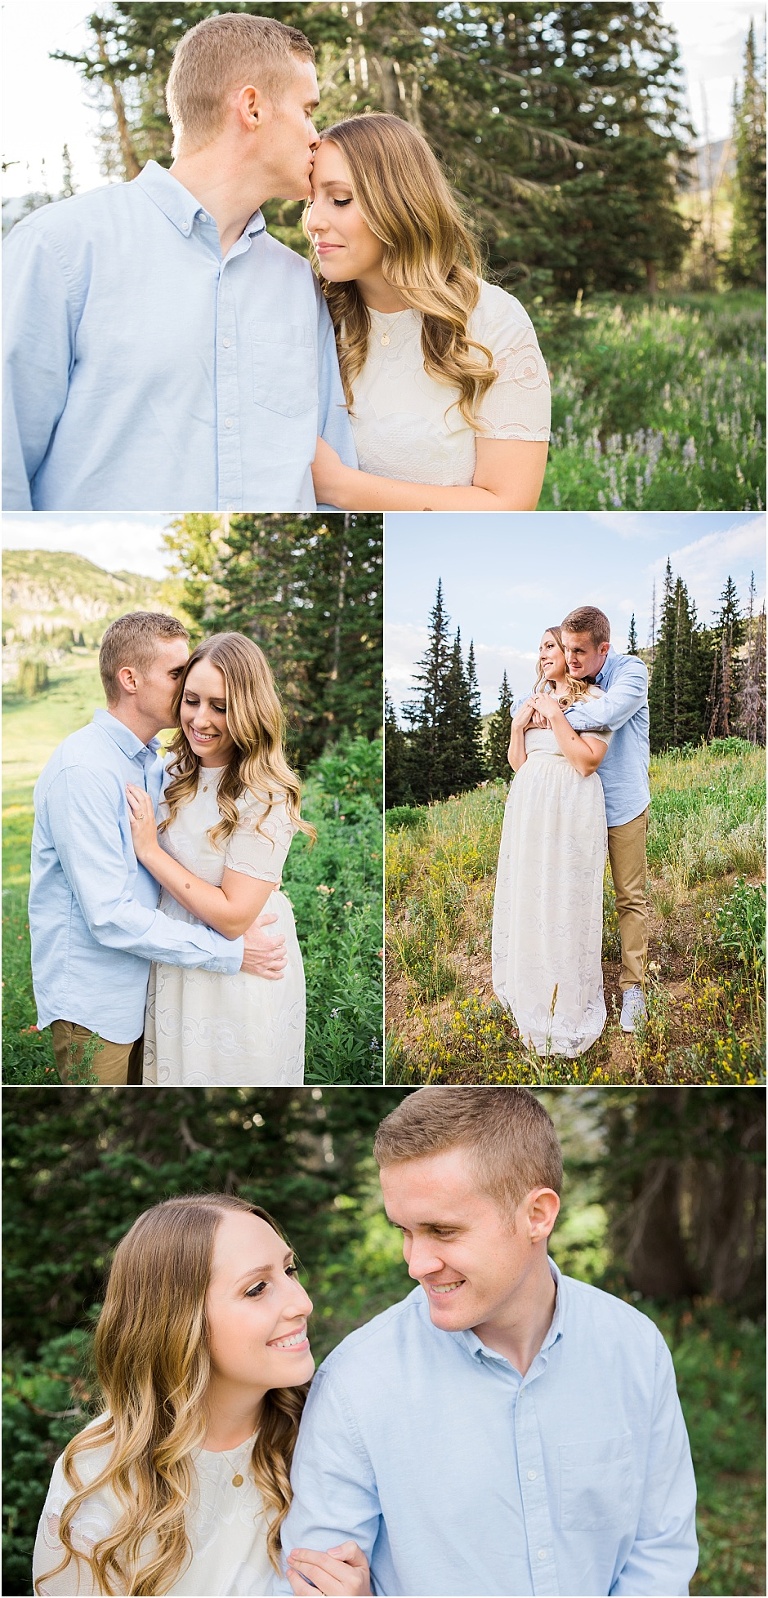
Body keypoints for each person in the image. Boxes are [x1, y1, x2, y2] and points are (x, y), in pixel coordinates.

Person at [281, 1087, 698, 1598]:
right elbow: (311, 1581)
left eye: (442, 1230)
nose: (416, 1264)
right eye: (405, 1231)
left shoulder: (634, 1348)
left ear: (538, 1216)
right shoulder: (356, 1382)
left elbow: (659, 1550)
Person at [4, 13, 355, 512]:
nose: (316, 135)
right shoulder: (60, 248)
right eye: (307, 110)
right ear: (252, 108)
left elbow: (333, 474)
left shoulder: (300, 282)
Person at [33, 1194, 371, 1597]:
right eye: (257, 1288)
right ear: (178, 1320)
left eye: (290, 1270)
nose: (303, 1302)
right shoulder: (98, 1476)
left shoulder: (326, 1428)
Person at [29, 613, 285, 1086]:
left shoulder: (157, 762)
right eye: (177, 676)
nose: (187, 687)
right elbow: (108, 914)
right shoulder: (85, 771)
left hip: (161, 986)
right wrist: (227, 952)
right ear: (130, 679)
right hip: (98, 1002)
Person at [306, 114, 551, 512]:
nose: (314, 221)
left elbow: (510, 506)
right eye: (310, 200)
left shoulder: (494, 323)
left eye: (340, 199)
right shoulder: (312, 314)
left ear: (399, 203)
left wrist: (339, 488)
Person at [127, 633, 311, 1086]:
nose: (200, 719)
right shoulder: (170, 770)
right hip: (176, 954)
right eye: (192, 700)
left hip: (244, 962)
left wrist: (149, 850)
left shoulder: (266, 793)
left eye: (221, 707)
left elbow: (232, 918)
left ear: (249, 710)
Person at [492, 626, 611, 1056]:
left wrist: (555, 713)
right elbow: (519, 764)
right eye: (540, 647)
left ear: (569, 653)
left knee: (565, 894)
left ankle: (566, 995)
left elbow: (586, 764)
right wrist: (517, 726)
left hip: (572, 804)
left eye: (550, 646)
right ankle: (533, 981)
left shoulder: (594, 701)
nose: (543, 654)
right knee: (531, 891)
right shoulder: (531, 700)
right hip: (530, 805)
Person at [559, 605, 650, 1033]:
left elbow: (609, 713)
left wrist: (555, 717)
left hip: (623, 805)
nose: (571, 659)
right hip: (580, 809)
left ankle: (633, 987)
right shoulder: (570, 681)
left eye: (579, 651)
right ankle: (580, 983)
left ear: (603, 648)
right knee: (577, 898)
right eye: (566, 649)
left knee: (629, 898)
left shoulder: (631, 672)